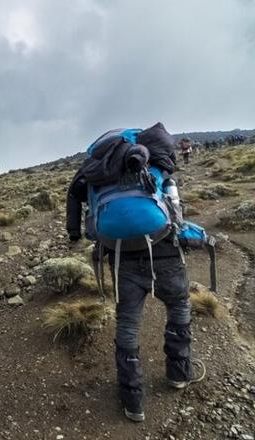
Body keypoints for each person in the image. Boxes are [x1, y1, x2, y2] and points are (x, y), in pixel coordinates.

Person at [66, 123, 205, 422]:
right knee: (179, 307)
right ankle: (179, 374)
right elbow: (175, 213)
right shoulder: (154, 163)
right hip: (165, 251)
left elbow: (85, 220)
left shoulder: (97, 175)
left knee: (128, 325)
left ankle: (133, 401)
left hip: (122, 258)